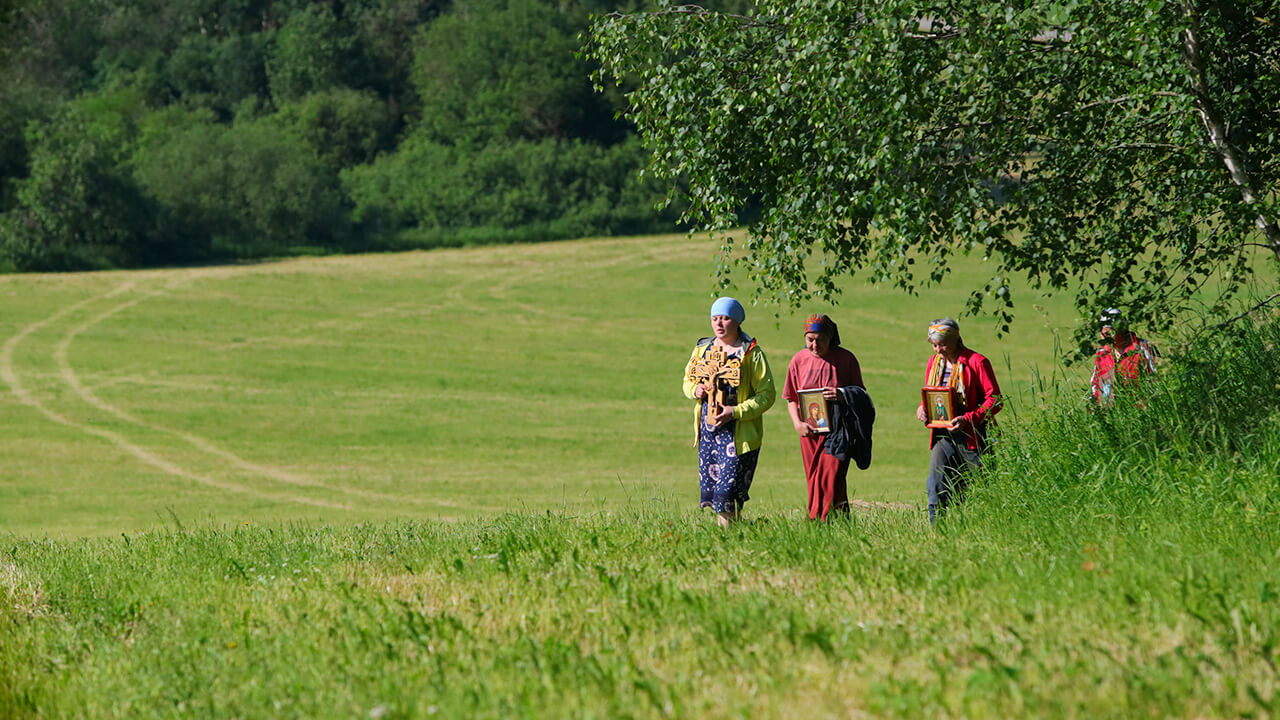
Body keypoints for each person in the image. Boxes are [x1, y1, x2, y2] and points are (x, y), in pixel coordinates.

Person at [682, 297, 776, 528]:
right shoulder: (702, 349)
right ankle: (745, 533)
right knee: (717, 498)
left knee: (727, 496)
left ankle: (728, 540)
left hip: (739, 435)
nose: (719, 323)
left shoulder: (750, 353)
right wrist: (696, 390)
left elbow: (767, 394)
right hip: (710, 433)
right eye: (715, 318)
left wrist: (736, 411)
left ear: (737, 321)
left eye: (725, 318)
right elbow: (687, 380)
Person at [914, 318, 1002, 525]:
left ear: (956, 339)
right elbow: (932, 394)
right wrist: (922, 408)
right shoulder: (934, 363)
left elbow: (995, 399)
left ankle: (987, 527)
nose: (938, 350)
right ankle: (938, 531)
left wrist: (969, 418)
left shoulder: (977, 362)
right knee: (935, 483)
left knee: (982, 484)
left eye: (942, 344)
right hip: (942, 434)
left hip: (973, 434)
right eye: (934, 345)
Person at [783, 314, 865, 521]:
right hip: (809, 432)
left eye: (820, 339)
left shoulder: (846, 359)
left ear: (830, 337)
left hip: (839, 431)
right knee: (814, 477)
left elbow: (861, 394)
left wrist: (842, 394)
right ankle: (839, 523)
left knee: (831, 476)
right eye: (810, 339)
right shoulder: (798, 360)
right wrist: (797, 423)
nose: (815, 344)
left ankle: (818, 520)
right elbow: (791, 397)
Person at [1090, 308, 1157, 405]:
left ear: (1122, 329)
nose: (1103, 336)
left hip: (1137, 413)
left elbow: (1157, 381)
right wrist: (1094, 404)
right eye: (1102, 333)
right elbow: (1095, 384)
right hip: (1110, 414)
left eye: (1109, 333)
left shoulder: (1141, 349)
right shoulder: (1102, 353)